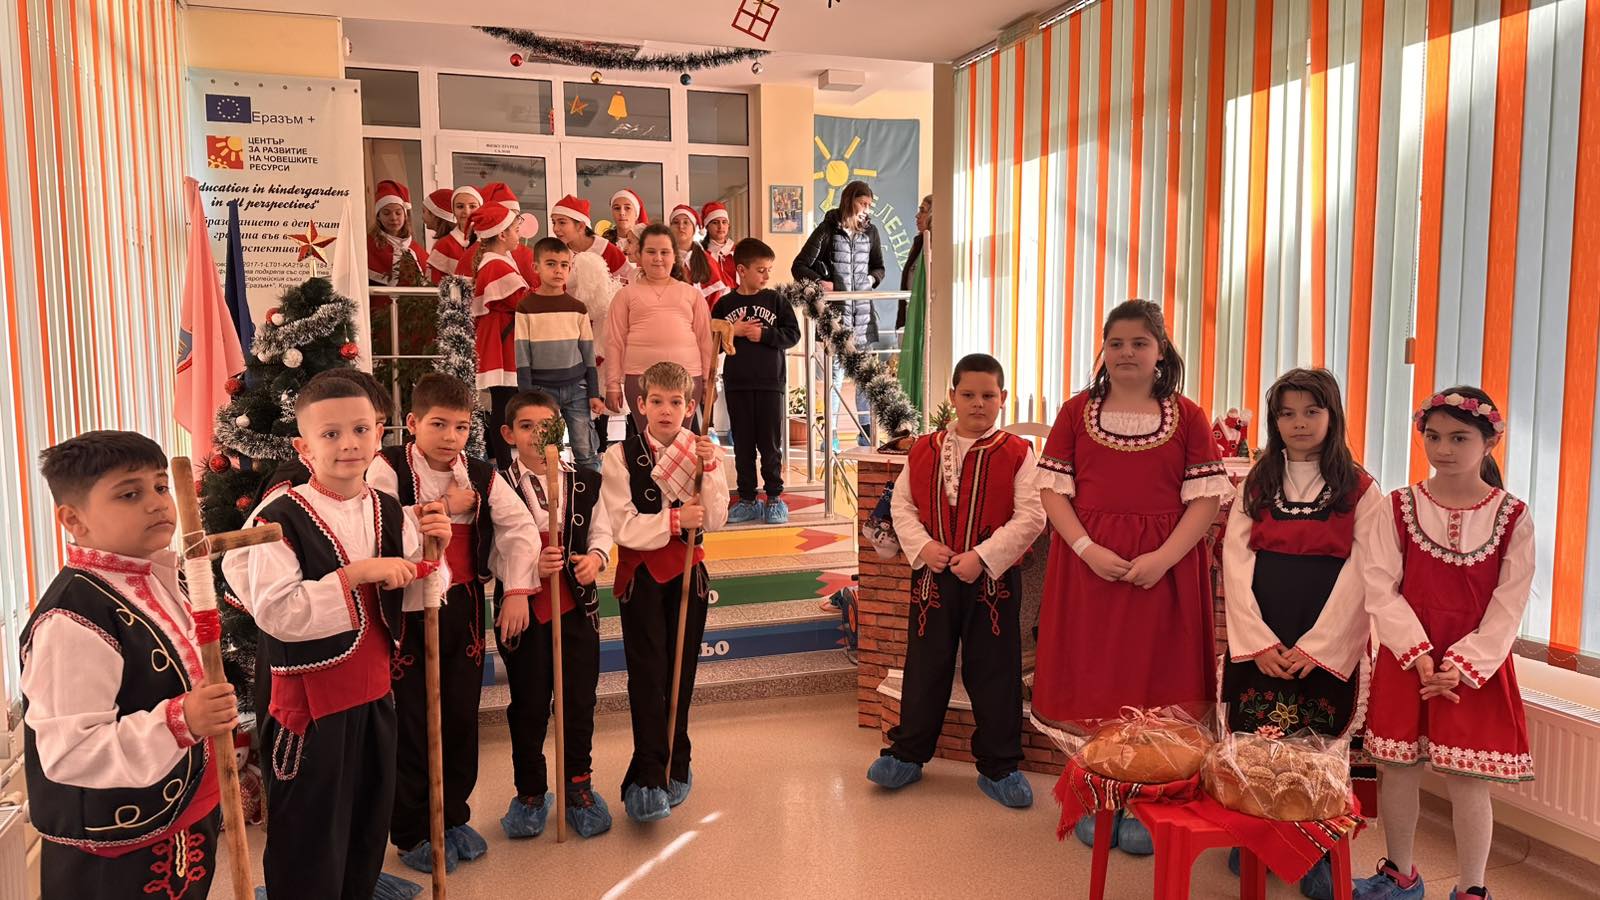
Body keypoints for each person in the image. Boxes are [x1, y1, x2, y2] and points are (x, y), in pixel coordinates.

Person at [222, 374, 452, 899]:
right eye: (330, 434)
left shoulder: (389, 509)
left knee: (368, 815)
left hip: (374, 692)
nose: (348, 443)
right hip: (309, 706)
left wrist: (429, 558)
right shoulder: (277, 519)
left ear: (379, 435)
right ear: (303, 446)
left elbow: (418, 589)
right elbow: (278, 612)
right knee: (310, 826)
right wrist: (357, 575)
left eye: (360, 430)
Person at [1033, 299, 1229, 855]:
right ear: (1103, 349)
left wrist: (1164, 557)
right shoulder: (1075, 413)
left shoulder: (1188, 416)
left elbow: (1206, 499)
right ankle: (1099, 796)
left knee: (1157, 681)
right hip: (1090, 570)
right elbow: (1053, 491)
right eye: (1115, 343)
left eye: (1139, 343)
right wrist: (1086, 548)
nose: (1126, 353)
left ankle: (1152, 799)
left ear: (1160, 350)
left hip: (1163, 574)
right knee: (1098, 677)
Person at [23, 431, 236, 899]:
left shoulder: (162, 575)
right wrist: (183, 720)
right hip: (118, 849)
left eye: (160, 486)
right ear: (73, 519)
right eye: (130, 494)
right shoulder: (71, 618)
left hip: (183, 809)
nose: (157, 503)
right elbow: (71, 751)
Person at [1353, 386, 1534, 900]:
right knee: (1398, 772)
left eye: (1458, 438)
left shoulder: (1513, 516)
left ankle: (1472, 888)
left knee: (1469, 781)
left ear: (1489, 442)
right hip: (1407, 658)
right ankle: (1400, 875)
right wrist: (1417, 654)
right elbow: (1379, 585)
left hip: (1474, 668)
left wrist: (1461, 664)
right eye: (1433, 437)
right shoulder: (1398, 505)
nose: (1443, 449)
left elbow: (1509, 603)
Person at [365, 372, 541, 873]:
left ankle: (452, 815)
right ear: (412, 423)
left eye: (461, 427)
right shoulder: (387, 467)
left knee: (461, 714)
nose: (450, 437)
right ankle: (412, 829)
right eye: (438, 424)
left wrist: (517, 590)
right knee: (412, 719)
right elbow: (374, 525)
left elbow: (520, 528)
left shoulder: (481, 474)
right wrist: (442, 508)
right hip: (405, 609)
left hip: (462, 606)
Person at [1221, 368, 1385, 899]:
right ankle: (1253, 837)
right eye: (1286, 413)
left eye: (1311, 412)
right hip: (1265, 630)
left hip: (1324, 633)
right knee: (1257, 743)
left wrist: (1318, 648)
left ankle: (1315, 848)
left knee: (1318, 749)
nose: (1299, 423)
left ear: (1332, 416)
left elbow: (1364, 572)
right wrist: (1258, 642)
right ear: (1274, 421)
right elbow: (1235, 560)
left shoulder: (1362, 489)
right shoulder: (1256, 482)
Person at [867, 355, 1046, 809]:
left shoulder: (1018, 452)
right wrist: (925, 547)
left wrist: (983, 558)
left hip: (992, 583)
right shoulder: (924, 449)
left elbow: (1032, 516)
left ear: (1003, 398)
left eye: (988, 395)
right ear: (952, 397)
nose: (978, 403)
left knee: (995, 671)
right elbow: (903, 507)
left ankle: (1000, 766)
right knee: (925, 666)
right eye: (968, 394)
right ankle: (907, 754)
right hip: (933, 578)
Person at [601, 361, 729, 823]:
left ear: (690, 407)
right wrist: (675, 521)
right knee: (647, 677)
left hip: (688, 576)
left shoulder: (702, 452)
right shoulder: (619, 456)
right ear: (641, 404)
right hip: (643, 580)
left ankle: (678, 761)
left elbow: (717, 518)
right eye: (656, 401)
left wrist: (709, 471)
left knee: (681, 672)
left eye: (676, 402)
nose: (666, 410)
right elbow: (622, 526)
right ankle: (650, 773)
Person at [496, 389, 615, 840]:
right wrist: (528, 569)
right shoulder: (497, 485)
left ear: (560, 429)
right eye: (526, 426)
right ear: (509, 433)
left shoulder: (586, 480)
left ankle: (577, 785)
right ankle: (530, 791)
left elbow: (602, 530)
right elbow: (491, 550)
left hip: (575, 609)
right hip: (525, 614)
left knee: (578, 701)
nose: (536, 435)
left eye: (546, 426)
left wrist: (595, 559)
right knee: (528, 705)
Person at [712, 238, 800, 525]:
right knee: (743, 445)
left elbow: (792, 334)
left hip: (770, 383)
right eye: (761, 270)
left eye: (768, 270)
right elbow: (711, 341)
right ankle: (747, 499)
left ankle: (774, 498)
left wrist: (764, 335)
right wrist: (734, 331)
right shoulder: (725, 304)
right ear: (741, 270)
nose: (766, 276)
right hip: (737, 384)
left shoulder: (776, 300)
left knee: (770, 445)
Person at [791, 180, 886, 445]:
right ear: (849, 200)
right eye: (862, 203)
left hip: (863, 316)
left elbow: (879, 268)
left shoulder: (871, 232)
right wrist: (823, 284)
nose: (866, 209)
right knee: (835, 377)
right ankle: (830, 434)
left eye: (869, 205)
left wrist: (869, 281)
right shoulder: (827, 229)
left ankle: (866, 433)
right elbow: (799, 266)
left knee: (864, 376)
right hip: (835, 317)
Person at [605, 223, 716, 436]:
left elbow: (705, 341)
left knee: (681, 442)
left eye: (664, 252)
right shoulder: (625, 295)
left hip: (688, 379)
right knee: (648, 441)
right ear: (639, 255)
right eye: (651, 252)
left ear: (675, 256)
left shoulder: (692, 294)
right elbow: (614, 342)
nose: (658, 258)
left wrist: (708, 381)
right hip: (639, 378)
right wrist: (612, 384)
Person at [515, 237, 605, 471]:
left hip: (577, 389)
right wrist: (527, 396)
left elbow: (588, 354)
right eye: (551, 264)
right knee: (547, 451)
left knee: (585, 450)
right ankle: (552, 491)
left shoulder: (578, 308)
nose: (558, 270)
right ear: (536, 267)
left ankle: (590, 492)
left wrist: (594, 393)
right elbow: (522, 357)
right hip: (542, 391)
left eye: (564, 265)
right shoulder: (526, 308)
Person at [470, 202, 529, 469]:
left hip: (501, 340)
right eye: (516, 230)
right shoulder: (496, 265)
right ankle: (505, 465)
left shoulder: (498, 262)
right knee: (504, 405)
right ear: (502, 234)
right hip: (501, 343)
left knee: (504, 403)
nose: (519, 235)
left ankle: (505, 462)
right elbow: (520, 301)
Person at [897, 194, 933, 411]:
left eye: (923, 210)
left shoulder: (934, 245)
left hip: (927, 322)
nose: (917, 216)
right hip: (911, 319)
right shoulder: (919, 243)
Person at [367, 180, 429, 288]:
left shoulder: (414, 248)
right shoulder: (369, 245)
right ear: (378, 216)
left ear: (405, 215)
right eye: (386, 213)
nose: (393, 218)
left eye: (398, 213)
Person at [550, 194, 629, 277]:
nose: (555, 228)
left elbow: (630, 280)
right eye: (554, 222)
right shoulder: (556, 253)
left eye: (562, 222)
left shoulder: (608, 251)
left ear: (581, 226)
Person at [668, 203, 726, 309]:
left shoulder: (707, 260)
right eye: (676, 222)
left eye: (686, 222)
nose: (681, 226)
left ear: (694, 228)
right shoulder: (664, 258)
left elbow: (715, 299)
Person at [482, 181, 540, 286]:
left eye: (517, 217)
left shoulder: (526, 254)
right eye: (511, 218)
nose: (517, 222)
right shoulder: (494, 262)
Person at [428, 184, 482, 284]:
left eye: (472, 206)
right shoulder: (443, 245)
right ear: (453, 210)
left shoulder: (489, 241)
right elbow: (435, 286)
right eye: (460, 206)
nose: (466, 211)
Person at [700, 200, 738, 289]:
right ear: (707, 226)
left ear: (728, 225)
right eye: (715, 222)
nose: (720, 227)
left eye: (724, 222)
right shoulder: (701, 253)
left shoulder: (737, 251)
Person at [605, 188, 649, 262]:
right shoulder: (604, 244)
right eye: (617, 208)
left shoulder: (647, 243)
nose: (622, 213)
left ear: (636, 214)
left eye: (627, 208)